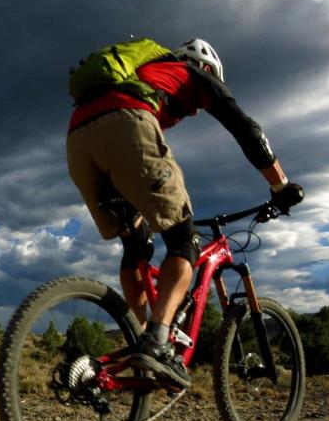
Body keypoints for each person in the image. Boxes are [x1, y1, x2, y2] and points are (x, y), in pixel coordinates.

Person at [66, 37, 303, 389]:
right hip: (124, 122)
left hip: (77, 138)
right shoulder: (192, 73)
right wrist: (280, 185)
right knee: (184, 241)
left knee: (137, 246)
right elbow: (245, 127)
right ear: (206, 68)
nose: (192, 113)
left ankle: (141, 335)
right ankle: (158, 341)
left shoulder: (146, 74)